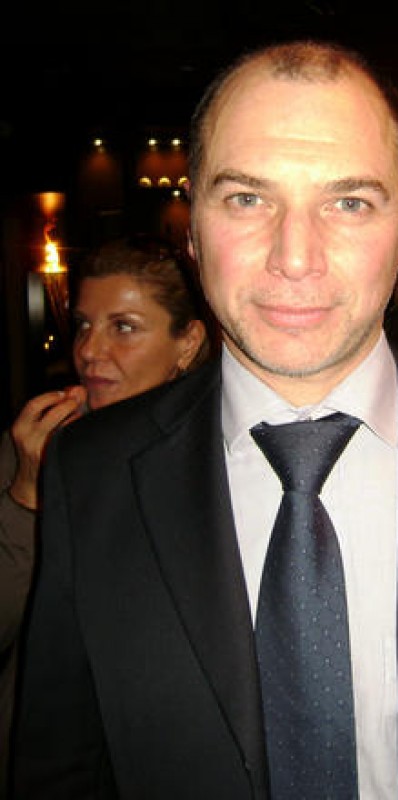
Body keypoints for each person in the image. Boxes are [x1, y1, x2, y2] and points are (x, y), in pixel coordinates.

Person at [12, 40, 398, 800]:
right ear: (193, 227)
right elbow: (60, 769)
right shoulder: (90, 473)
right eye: (247, 199)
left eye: (349, 202)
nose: (295, 258)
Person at [0, 234, 208, 798]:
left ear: (188, 342)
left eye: (124, 327)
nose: (90, 350)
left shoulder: (218, 458)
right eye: (84, 325)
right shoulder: (36, 443)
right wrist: (28, 494)